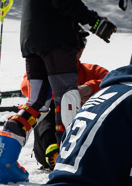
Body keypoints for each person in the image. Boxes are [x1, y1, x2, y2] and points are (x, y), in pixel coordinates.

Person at [0, 0, 116, 184]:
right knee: (67, 100)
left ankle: (5, 163)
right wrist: (95, 22)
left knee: (37, 102)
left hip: (31, 37)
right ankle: (71, 168)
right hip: (56, 38)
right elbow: (63, 0)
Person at [20, 27, 110, 170]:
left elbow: (111, 81)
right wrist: (60, 91)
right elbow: (26, 87)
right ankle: (54, 151)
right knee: (47, 108)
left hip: (84, 132)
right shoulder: (42, 71)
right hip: (47, 141)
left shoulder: (91, 71)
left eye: (75, 51)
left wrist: (88, 88)